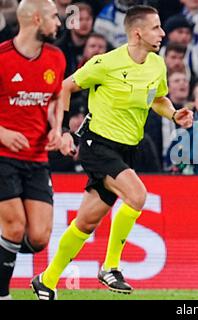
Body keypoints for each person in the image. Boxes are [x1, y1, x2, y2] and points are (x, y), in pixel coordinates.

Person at [30, 5, 193, 300]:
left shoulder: (157, 64)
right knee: (137, 195)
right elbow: (64, 87)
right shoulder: (105, 63)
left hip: (127, 148)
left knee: (87, 222)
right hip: (97, 145)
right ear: (137, 32)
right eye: (156, 27)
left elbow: (157, 98)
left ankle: (47, 279)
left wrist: (173, 114)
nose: (162, 33)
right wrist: (65, 130)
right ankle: (110, 266)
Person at [0, 0, 72, 300]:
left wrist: (57, 129)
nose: (60, 23)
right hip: (3, 156)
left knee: (39, 237)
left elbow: (55, 99)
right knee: (14, 226)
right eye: (55, 17)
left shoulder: (56, 57)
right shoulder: (2, 57)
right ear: (37, 19)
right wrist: (2, 132)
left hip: (37, 156)